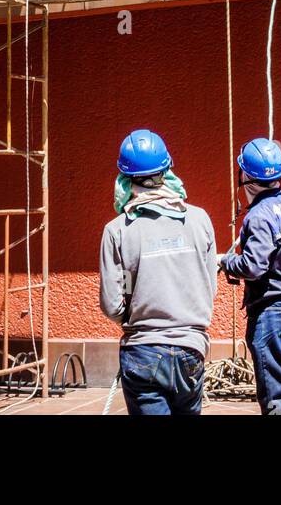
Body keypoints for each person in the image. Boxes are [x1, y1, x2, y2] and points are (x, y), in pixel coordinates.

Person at [99, 129, 217, 415]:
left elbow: (112, 304)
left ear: (125, 179)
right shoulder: (200, 220)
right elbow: (209, 287)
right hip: (191, 348)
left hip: (143, 349)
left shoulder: (117, 231)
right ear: (167, 169)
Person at [219, 138, 281, 415]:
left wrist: (226, 262)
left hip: (277, 316)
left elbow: (253, 266)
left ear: (245, 176)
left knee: (280, 403)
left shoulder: (260, 216)